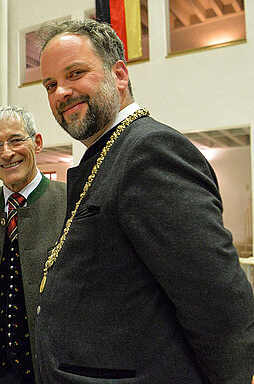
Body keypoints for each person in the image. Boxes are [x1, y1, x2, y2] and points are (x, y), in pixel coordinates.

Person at [35, 18, 254, 384]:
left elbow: (217, 303)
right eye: (51, 84)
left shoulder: (149, 150)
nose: (61, 92)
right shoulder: (105, 154)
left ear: (119, 75)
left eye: (75, 73)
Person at [0, 105, 67, 384]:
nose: (6, 152)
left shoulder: (71, 202)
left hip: (49, 369)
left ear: (38, 143)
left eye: (16, 140)